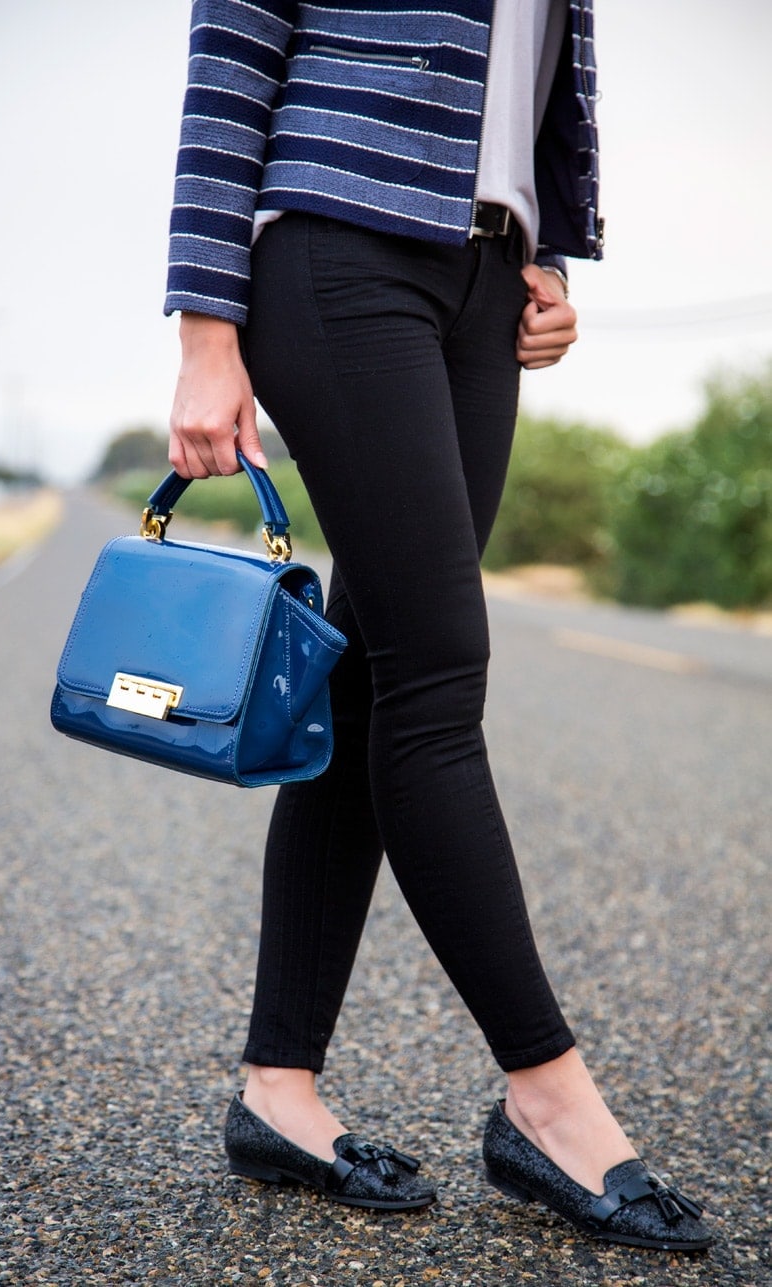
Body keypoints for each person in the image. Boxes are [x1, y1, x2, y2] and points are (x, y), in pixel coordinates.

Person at [164, 0, 713, 1251]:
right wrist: (206, 329)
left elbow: (530, 76)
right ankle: (549, 1100)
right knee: (437, 684)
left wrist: (548, 254)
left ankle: (278, 1089)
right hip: (340, 250)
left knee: (365, 685)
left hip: (486, 284)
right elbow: (235, 50)